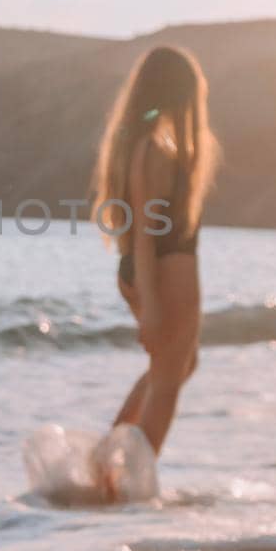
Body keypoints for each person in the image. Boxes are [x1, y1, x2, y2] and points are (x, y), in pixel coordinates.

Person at [91, 45, 220, 457]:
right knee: (167, 380)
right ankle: (130, 478)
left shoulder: (140, 146)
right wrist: (150, 307)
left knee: (178, 366)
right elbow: (146, 234)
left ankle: (108, 460)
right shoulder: (152, 152)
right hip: (164, 272)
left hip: (148, 271)